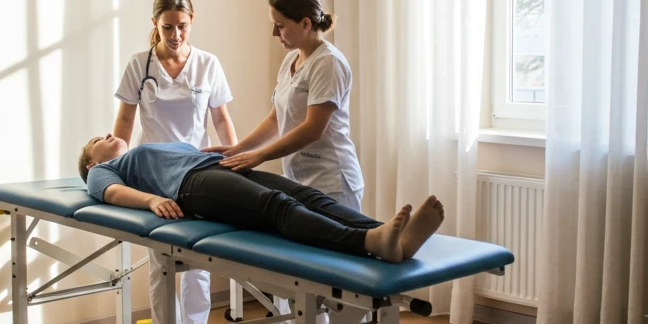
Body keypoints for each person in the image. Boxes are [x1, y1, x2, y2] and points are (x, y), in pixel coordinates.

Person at [203, 0, 373, 324]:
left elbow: (313, 128)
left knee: (340, 289)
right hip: (299, 184)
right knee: (299, 284)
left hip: (334, 182)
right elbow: (278, 119)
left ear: (305, 22)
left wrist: (257, 157)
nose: (275, 34)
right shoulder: (291, 62)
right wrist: (238, 148)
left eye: (281, 26)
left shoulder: (329, 64)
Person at [109, 0, 237, 324]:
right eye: (168, 27)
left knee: (199, 261)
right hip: (152, 174)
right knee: (160, 264)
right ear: (155, 25)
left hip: (197, 173)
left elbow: (220, 119)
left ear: (191, 22)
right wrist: (115, 166)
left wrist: (235, 159)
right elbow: (126, 123)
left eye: (182, 26)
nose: (175, 34)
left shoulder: (207, 64)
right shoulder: (139, 64)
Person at [77, 138, 444, 266]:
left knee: (305, 195)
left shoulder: (146, 149)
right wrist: (152, 200)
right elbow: (109, 193)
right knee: (276, 206)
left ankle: (391, 237)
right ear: (92, 161)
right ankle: (367, 243)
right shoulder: (103, 170)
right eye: (99, 139)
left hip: (217, 167)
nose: (109, 135)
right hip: (190, 186)